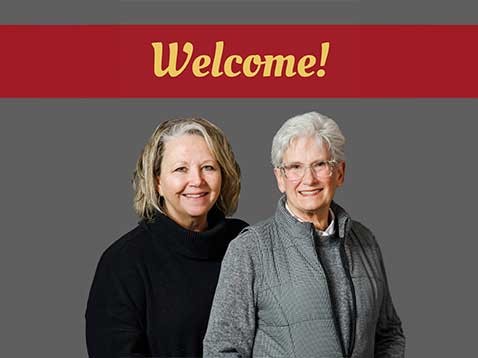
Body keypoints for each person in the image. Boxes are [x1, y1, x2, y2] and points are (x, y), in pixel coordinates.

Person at [204, 112, 405, 357]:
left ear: (339, 173)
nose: (308, 179)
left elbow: (389, 334)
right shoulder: (249, 250)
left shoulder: (365, 242)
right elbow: (221, 349)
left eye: (320, 165)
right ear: (280, 177)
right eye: (295, 167)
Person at [86, 118, 248, 357]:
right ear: (157, 181)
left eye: (208, 167)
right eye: (181, 169)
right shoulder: (123, 262)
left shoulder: (245, 243)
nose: (197, 180)